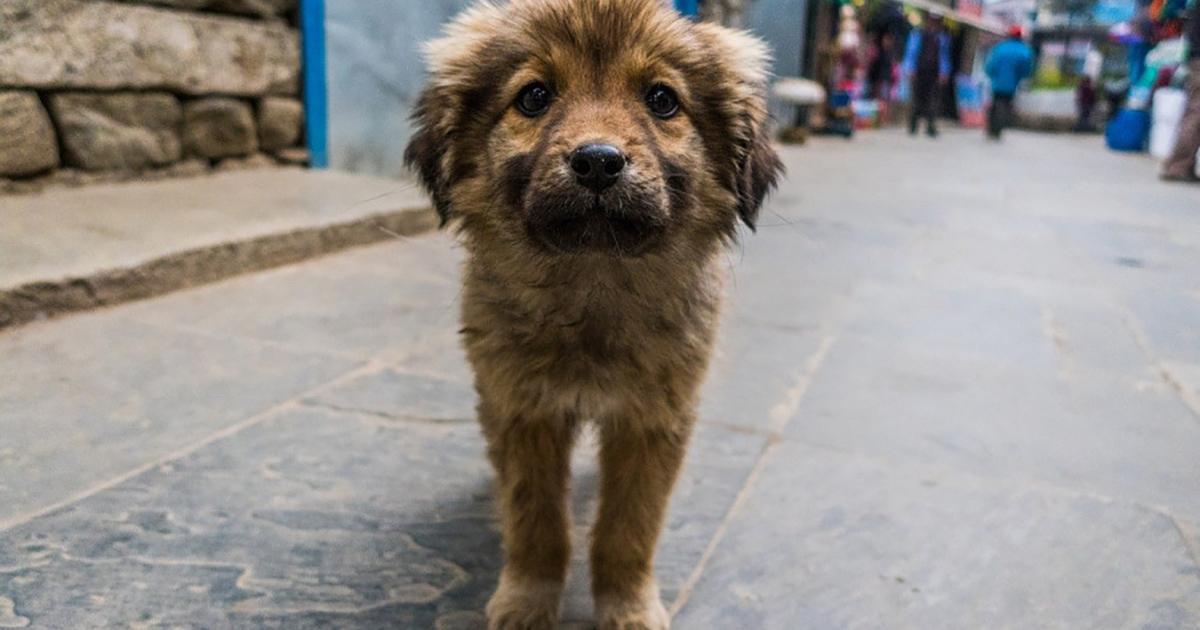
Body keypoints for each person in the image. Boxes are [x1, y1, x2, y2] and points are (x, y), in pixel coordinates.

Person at [1162, 2, 1200, 182]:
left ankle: (1179, 164)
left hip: (1195, 57)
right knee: (1196, 113)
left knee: (1193, 112)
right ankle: (1178, 165)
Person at [903, 13, 951, 137]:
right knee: (916, 99)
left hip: (934, 73)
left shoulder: (942, 37)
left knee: (933, 101)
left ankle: (931, 127)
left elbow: (944, 56)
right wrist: (910, 68)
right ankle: (913, 126)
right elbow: (911, 52)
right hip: (919, 71)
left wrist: (944, 72)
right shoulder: (917, 34)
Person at [984, 25, 1034, 140]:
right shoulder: (1025, 51)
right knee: (1006, 106)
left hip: (996, 84)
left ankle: (991, 129)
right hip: (1012, 85)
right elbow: (1026, 70)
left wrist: (992, 75)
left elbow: (990, 66)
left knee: (995, 105)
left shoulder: (1000, 47)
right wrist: (1020, 78)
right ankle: (999, 129)